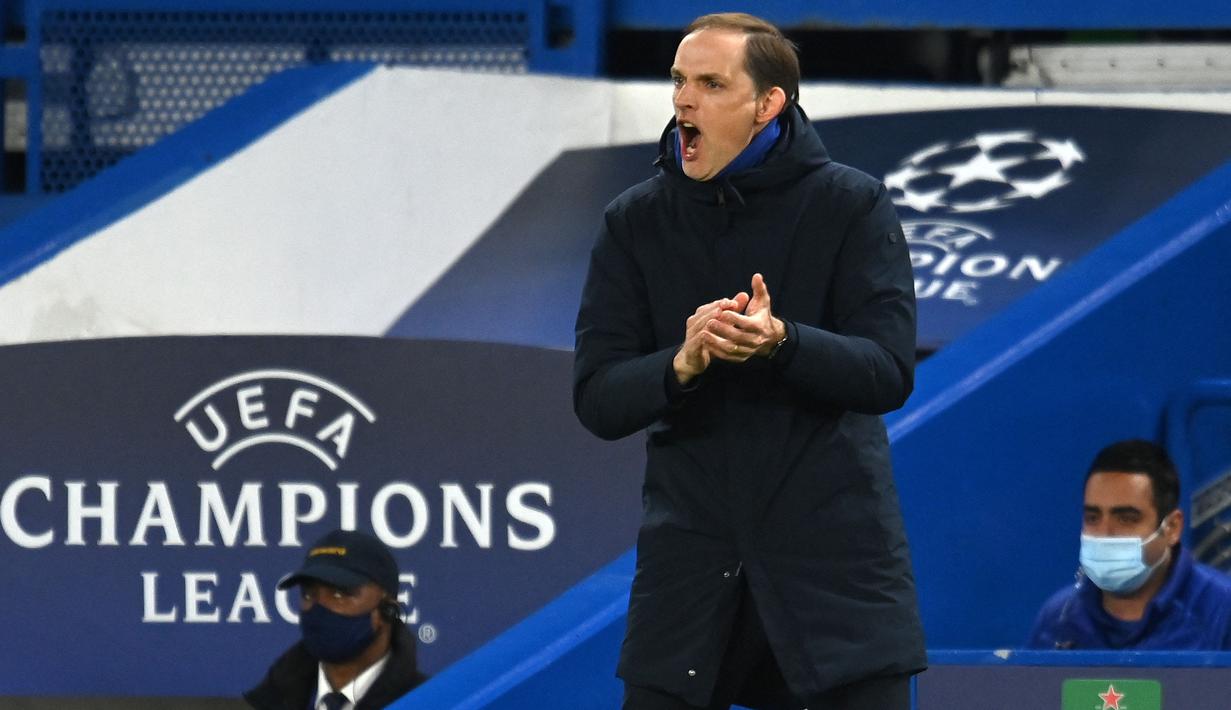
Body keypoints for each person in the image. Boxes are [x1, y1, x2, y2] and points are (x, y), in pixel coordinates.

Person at [572, 12, 925, 710]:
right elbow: (598, 398)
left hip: (836, 578)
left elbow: (886, 371)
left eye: (709, 82)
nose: (682, 100)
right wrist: (683, 361)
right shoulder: (633, 221)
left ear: (768, 104)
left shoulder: (851, 205)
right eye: (677, 80)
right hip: (689, 575)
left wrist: (782, 341)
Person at [1026, 439, 1231, 650]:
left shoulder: (1222, 611)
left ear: (1172, 528)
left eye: (1126, 518)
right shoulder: (1058, 617)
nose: (1105, 534)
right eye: (1093, 517)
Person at [245, 529, 426, 710]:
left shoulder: (432, 702)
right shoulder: (264, 702)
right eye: (308, 594)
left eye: (339, 594)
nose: (319, 607)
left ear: (387, 609)